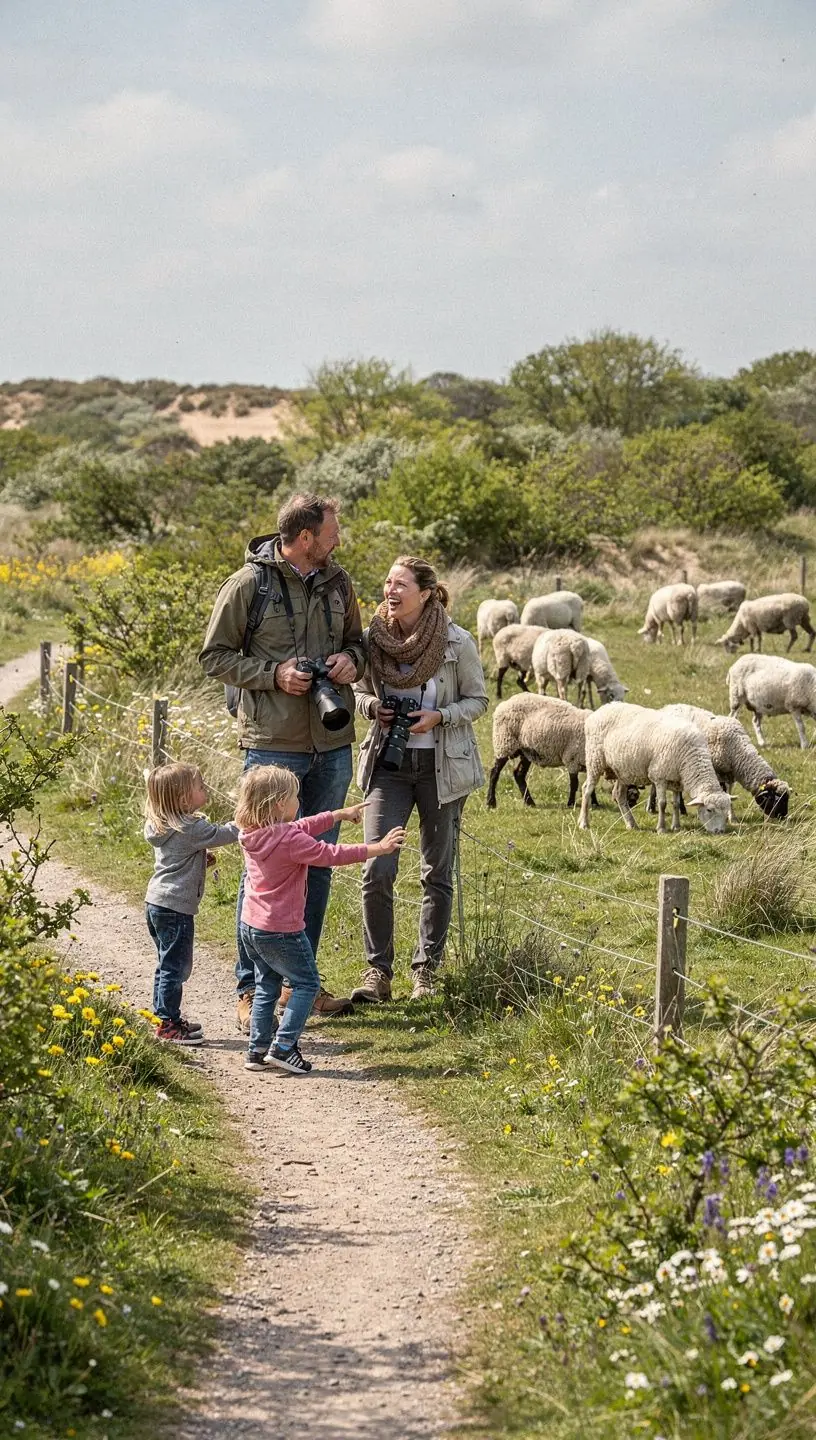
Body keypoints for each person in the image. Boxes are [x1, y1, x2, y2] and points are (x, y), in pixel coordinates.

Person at [199, 492, 365, 1034]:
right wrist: (274, 675)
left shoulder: (339, 583)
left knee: (315, 863)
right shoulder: (249, 585)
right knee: (263, 868)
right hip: (271, 746)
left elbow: (360, 647)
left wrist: (348, 662)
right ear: (305, 537)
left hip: (332, 743)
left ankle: (301, 983)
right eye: (332, 529)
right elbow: (214, 657)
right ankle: (250, 991)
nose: (339, 538)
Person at [351, 556, 487, 1003]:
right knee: (377, 867)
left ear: (425, 593)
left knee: (437, 872)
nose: (390, 590)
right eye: (387, 581)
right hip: (388, 768)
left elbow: (478, 700)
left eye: (401, 584)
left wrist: (440, 716)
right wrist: (373, 708)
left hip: (441, 768)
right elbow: (358, 689)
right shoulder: (373, 640)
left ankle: (425, 971)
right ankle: (378, 973)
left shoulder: (456, 641)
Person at [236, 764, 404, 1074]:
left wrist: (338, 815)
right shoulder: (288, 841)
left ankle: (257, 1050)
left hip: (252, 926)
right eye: (294, 796)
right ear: (277, 804)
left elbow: (300, 826)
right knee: (306, 984)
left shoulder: (253, 833)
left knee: (266, 985)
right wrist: (377, 848)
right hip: (281, 929)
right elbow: (331, 854)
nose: (299, 801)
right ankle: (284, 1047)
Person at [144, 762, 239, 1046]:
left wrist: (199, 859)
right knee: (177, 968)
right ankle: (169, 1025)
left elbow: (178, 856)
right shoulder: (191, 827)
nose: (205, 788)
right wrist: (249, 818)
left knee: (166, 964)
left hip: (157, 902)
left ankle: (164, 1018)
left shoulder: (163, 825)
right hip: (176, 908)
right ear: (184, 798)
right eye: (199, 786)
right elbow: (226, 834)